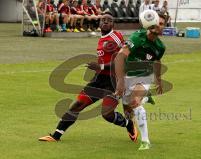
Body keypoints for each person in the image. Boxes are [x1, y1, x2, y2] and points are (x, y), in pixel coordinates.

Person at [38, 11, 136, 142]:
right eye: (103, 20)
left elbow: (121, 60)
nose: (105, 21)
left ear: (113, 24)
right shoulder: (102, 38)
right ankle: (55, 136)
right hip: (99, 80)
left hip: (113, 81)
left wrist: (101, 66)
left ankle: (128, 124)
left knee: (107, 114)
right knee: (77, 105)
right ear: (99, 22)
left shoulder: (115, 38)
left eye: (109, 20)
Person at [114, 10, 166, 150]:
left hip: (144, 76)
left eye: (161, 23)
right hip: (127, 75)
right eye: (156, 21)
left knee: (134, 102)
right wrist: (120, 81)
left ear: (163, 27)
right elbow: (120, 56)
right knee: (128, 112)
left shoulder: (160, 47)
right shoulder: (137, 37)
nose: (158, 25)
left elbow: (157, 62)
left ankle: (145, 141)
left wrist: (158, 79)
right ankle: (146, 99)